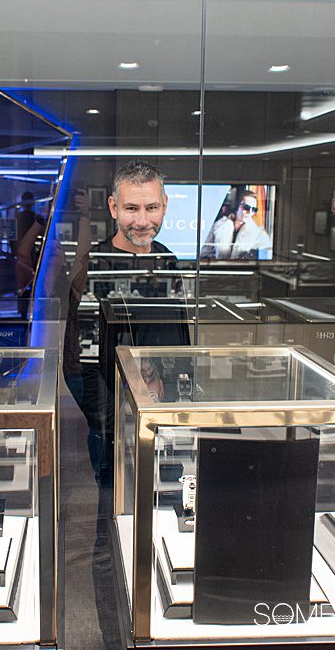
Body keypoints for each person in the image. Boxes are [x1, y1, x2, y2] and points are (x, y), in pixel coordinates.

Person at [63, 160, 189, 484]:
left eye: (152, 207)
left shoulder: (167, 262)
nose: (143, 220)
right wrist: (116, 423)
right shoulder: (94, 268)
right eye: (132, 208)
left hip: (162, 418)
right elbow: (79, 366)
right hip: (112, 424)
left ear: (165, 206)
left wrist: (172, 404)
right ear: (113, 207)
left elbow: (180, 344)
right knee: (110, 510)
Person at [200, 190, 272, 260]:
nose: (250, 212)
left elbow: (263, 260)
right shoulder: (218, 226)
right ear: (237, 206)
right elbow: (204, 254)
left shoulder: (259, 234)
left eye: (254, 209)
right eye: (246, 207)